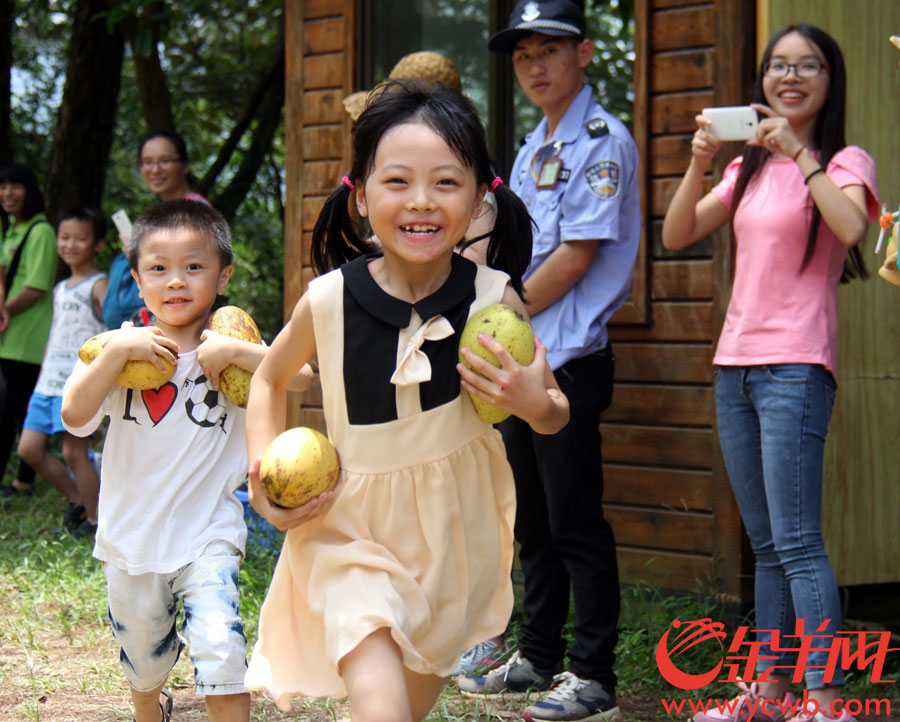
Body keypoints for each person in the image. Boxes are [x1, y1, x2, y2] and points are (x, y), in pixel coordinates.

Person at [242, 80, 569, 722]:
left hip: (454, 537)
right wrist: (261, 474)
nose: (421, 201)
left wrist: (532, 401)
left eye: (447, 183)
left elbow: (555, 411)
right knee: (381, 706)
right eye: (397, 182)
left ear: (480, 199)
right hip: (347, 528)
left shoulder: (493, 300)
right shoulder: (330, 300)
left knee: (408, 706)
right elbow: (267, 379)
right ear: (360, 196)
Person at [661, 24, 877, 722]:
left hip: (796, 367)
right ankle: (769, 694)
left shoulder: (846, 159)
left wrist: (800, 155)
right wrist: (699, 161)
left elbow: (851, 230)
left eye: (807, 65)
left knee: (799, 540)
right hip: (736, 368)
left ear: (828, 80)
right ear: (762, 80)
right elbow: (677, 232)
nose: (791, 76)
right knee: (765, 544)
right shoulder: (746, 167)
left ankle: (823, 700)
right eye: (779, 65)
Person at [61, 200, 312, 722]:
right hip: (131, 539)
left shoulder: (237, 346)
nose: (175, 281)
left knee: (223, 649)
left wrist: (236, 354)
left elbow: (302, 375)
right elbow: (73, 417)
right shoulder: (121, 351)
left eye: (193, 267)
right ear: (136, 277)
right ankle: (150, 710)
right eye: (158, 269)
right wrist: (114, 353)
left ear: (223, 277)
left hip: (208, 535)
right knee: (144, 663)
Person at [459, 2, 640, 722]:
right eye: (523, 54)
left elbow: (577, 254)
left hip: (566, 361)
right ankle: (538, 654)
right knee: (531, 519)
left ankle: (592, 676)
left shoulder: (602, 140)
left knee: (575, 521)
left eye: (550, 50)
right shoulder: (536, 144)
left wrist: (509, 306)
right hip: (519, 360)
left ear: (586, 53)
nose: (535, 65)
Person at [17, 206, 108, 537]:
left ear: (97, 244)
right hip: (47, 382)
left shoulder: (99, 286)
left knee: (74, 452)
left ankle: (98, 521)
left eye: (80, 239)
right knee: (29, 450)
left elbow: (112, 325)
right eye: (65, 237)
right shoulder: (60, 288)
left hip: (77, 384)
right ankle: (80, 500)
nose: (70, 245)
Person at [103, 129, 210, 330]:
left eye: (165, 161)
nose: (155, 169)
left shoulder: (194, 210)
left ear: (185, 165)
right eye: (148, 162)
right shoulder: (162, 212)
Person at [0, 162, 58, 497]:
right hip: (8, 337)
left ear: (30, 191)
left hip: (28, 340)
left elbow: (36, 285)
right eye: (3, 186)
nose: (8, 193)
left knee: (20, 411)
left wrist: (4, 311)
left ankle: (24, 480)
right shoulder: (10, 230)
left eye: (16, 186)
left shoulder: (41, 232)